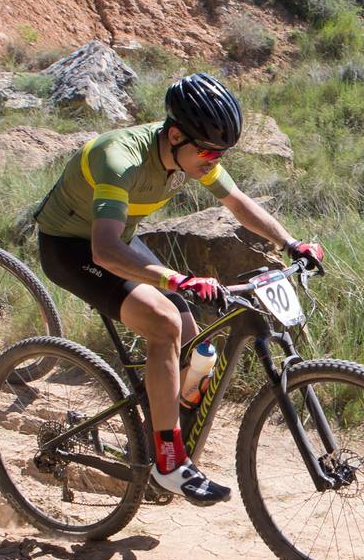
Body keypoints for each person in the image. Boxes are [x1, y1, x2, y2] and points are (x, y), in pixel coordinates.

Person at [31, 73, 324, 505]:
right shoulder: (121, 160)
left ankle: (155, 423)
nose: (213, 160)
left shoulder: (191, 154)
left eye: (221, 153)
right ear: (174, 135)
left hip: (120, 236)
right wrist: (178, 280)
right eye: (207, 151)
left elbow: (238, 202)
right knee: (165, 323)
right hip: (74, 248)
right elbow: (104, 249)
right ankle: (168, 462)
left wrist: (290, 243)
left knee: (196, 345)